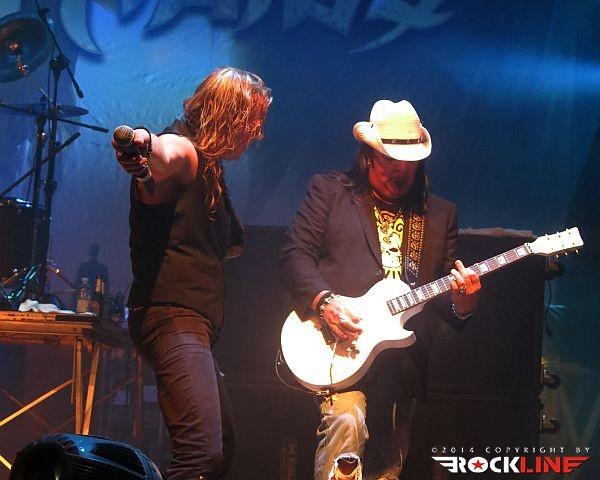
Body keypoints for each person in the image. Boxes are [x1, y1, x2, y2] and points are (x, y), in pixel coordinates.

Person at [280, 99, 481, 480]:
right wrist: (325, 302)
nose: (400, 171)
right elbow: (294, 256)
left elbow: (441, 302)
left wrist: (463, 303)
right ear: (368, 157)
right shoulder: (330, 192)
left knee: (386, 466)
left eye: (409, 162)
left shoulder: (439, 215)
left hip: (401, 367)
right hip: (338, 346)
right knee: (347, 422)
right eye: (391, 160)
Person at [112, 67, 271, 480]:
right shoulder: (185, 150)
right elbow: (165, 154)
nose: (257, 134)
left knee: (222, 447)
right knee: (201, 454)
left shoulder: (210, 165)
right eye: (253, 122)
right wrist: (143, 143)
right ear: (229, 116)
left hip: (188, 323)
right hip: (171, 318)